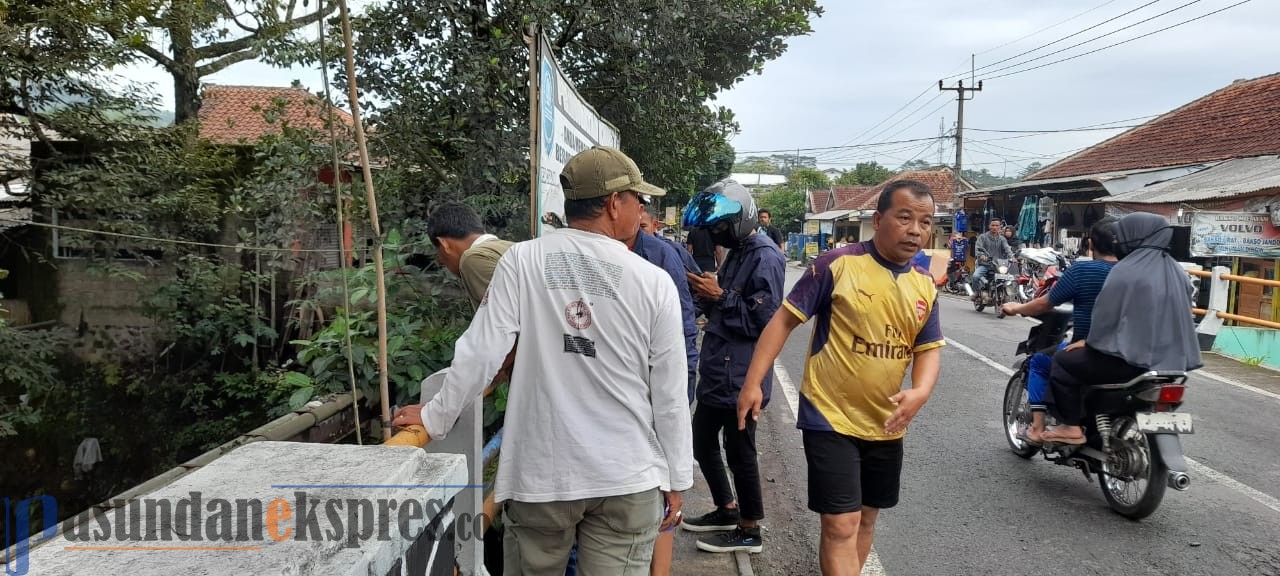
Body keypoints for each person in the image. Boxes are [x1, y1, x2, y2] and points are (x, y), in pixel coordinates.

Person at [392, 146, 692, 575]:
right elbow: (669, 393)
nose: (641, 208)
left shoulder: (522, 260)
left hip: (541, 473)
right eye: (637, 199)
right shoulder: (653, 281)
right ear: (612, 204)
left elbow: (480, 352)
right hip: (627, 474)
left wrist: (435, 417)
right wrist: (677, 479)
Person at [737, 179, 944, 576]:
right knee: (840, 523)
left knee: (865, 520)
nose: (915, 230)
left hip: (886, 424)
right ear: (877, 219)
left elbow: (928, 348)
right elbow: (783, 321)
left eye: (925, 221)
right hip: (830, 416)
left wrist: (920, 391)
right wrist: (752, 383)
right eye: (904, 218)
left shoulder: (924, 285)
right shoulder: (837, 263)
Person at [679, 178, 785, 554]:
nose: (717, 234)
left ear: (741, 219)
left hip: (742, 374)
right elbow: (726, 307)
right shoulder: (739, 251)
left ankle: (749, 529)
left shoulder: (765, 256)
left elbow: (764, 322)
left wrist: (719, 295)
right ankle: (727, 508)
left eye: (722, 226)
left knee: (740, 451)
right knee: (701, 438)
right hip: (718, 370)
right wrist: (706, 293)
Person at [1042, 212, 1203, 444]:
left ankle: (1071, 426)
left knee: (1062, 360)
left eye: (1122, 236)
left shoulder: (1126, 271)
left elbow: (1106, 318)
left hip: (1129, 362)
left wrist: (1088, 342)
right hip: (1171, 363)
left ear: (1134, 237)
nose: (1118, 242)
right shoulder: (1178, 272)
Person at [1000, 216, 1119, 443]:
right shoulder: (1134, 273)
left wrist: (1017, 308)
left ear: (1091, 243)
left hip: (1095, 352)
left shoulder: (1083, 271)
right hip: (1134, 354)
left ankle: (1037, 428)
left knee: (1040, 361)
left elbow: (1045, 303)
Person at [428, 203, 515, 308]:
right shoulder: (510, 247)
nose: (440, 261)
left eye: (438, 253)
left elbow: (506, 318)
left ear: (444, 244)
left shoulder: (473, 258)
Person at [970, 218, 1012, 298]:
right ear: (989, 226)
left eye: (997, 225)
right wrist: (982, 256)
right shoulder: (982, 237)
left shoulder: (1002, 239)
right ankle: (976, 292)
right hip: (985, 264)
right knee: (975, 276)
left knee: (1010, 279)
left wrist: (1012, 257)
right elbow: (978, 249)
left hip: (998, 266)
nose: (995, 227)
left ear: (1000, 227)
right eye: (993, 225)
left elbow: (1007, 248)